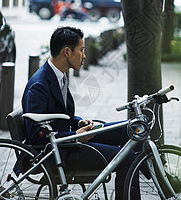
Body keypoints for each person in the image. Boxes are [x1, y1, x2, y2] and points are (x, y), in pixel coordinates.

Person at [21, 26, 139, 199]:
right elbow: (36, 136)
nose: (84, 55)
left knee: (131, 128)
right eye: (81, 50)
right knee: (128, 158)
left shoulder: (57, 75)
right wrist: (75, 136)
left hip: (68, 141)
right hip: (60, 153)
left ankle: (159, 175)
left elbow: (60, 116)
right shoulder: (39, 85)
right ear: (67, 52)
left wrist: (78, 123)